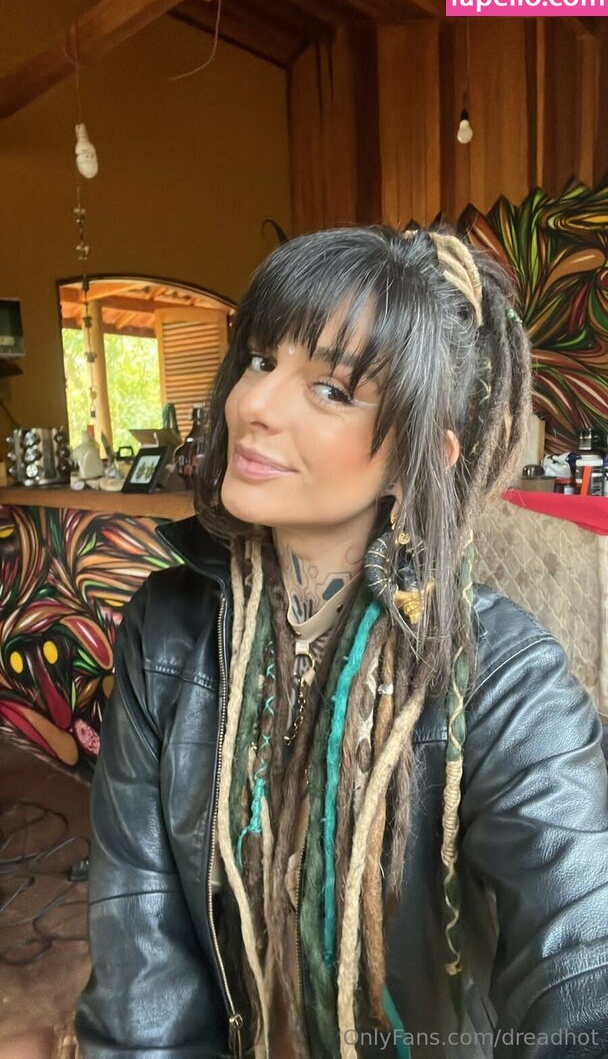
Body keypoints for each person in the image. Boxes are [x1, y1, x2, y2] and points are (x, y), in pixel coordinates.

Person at [76, 226, 608, 1059]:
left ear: (419, 459)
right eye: (261, 359)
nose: (254, 404)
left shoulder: (504, 678)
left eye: (330, 388)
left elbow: (583, 962)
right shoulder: (166, 635)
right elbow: (140, 977)